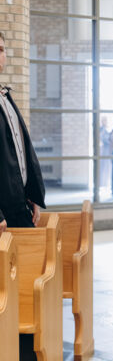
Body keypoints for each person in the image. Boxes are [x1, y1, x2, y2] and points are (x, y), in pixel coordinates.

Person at [0, 31, 45, 233]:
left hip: (19, 204)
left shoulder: (5, 97)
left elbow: (20, 153)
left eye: (1, 50)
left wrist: (31, 193)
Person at [99, 115, 111, 189]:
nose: (105, 122)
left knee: (107, 167)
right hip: (104, 150)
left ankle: (105, 183)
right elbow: (103, 138)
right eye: (104, 120)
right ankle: (102, 183)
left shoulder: (106, 129)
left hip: (107, 149)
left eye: (106, 120)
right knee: (103, 167)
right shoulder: (102, 129)